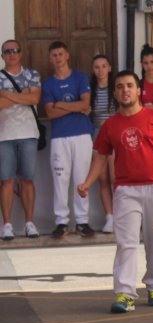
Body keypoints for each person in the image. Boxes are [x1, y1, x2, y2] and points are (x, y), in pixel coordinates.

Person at [77, 70, 153, 313]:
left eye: (129, 85)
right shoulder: (110, 125)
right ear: (115, 93)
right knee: (126, 242)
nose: (125, 90)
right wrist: (87, 183)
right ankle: (125, 294)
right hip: (126, 190)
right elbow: (101, 157)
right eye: (120, 87)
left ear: (138, 91)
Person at [42, 40, 94, 239]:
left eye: (61, 54)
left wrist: (61, 104)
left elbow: (85, 104)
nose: (58, 58)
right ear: (50, 58)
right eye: (54, 55)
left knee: (82, 179)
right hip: (59, 137)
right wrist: (75, 106)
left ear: (67, 55)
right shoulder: (48, 84)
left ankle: (82, 221)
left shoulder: (80, 77)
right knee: (60, 179)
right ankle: (61, 222)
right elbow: (50, 113)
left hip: (82, 134)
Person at [0, 39, 41, 241]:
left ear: (21, 53)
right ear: (2, 56)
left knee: (27, 179)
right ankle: (7, 224)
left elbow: (34, 99)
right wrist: (22, 94)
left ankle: (29, 223)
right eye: (7, 51)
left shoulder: (32, 74)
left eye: (15, 50)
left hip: (28, 133)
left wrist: (7, 94)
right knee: (6, 180)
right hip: (4, 134)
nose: (12, 54)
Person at [90, 54, 117, 233]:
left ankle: (122, 215)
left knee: (116, 178)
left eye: (103, 66)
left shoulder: (116, 89)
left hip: (114, 136)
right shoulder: (90, 90)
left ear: (109, 68)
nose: (100, 70)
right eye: (97, 67)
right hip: (97, 137)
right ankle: (109, 216)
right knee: (103, 179)